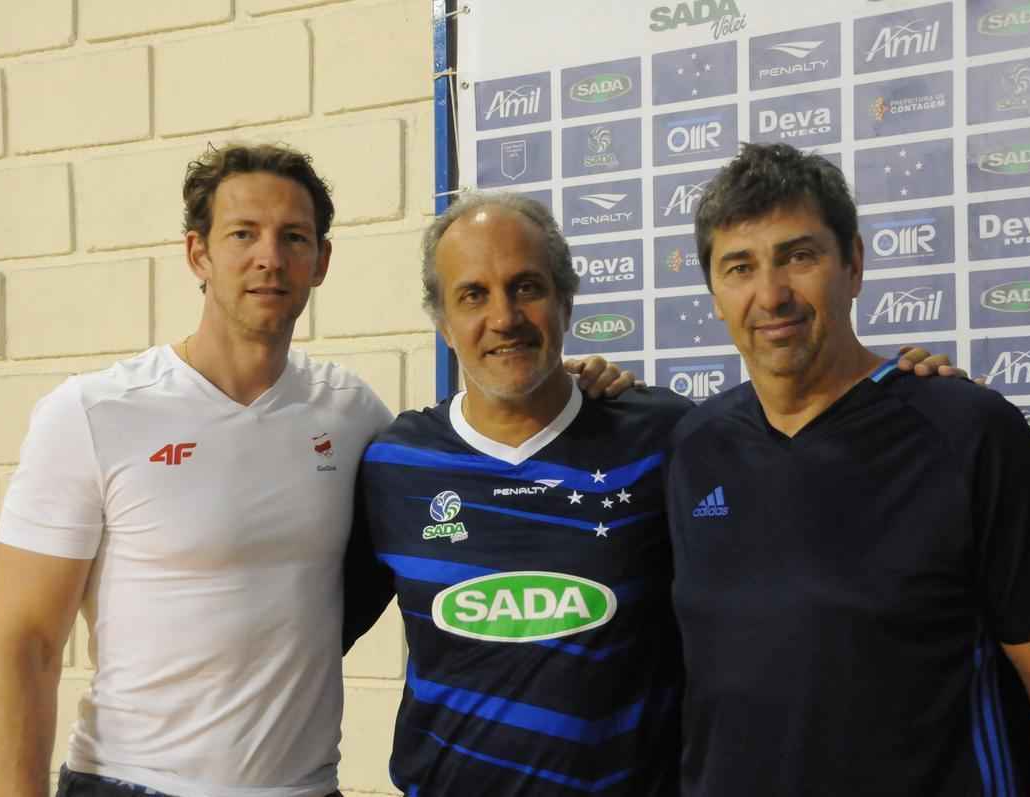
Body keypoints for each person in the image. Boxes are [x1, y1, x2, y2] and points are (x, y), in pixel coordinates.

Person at [0, 142, 630, 797]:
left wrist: (562, 384)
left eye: (293, 236)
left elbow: (473, 440)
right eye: (243, 234)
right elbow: (25, 643)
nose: (269, 257)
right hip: (130, 780)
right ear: (197, 253)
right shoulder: (93, 412)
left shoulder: (352, 415)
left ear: (321, 261)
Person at [343, 191, 964, 796]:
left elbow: (814, 492)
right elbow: (305, 632)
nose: (504, 317)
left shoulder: (669, 437)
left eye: (527, 287)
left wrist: (903, 398)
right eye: (473, 295)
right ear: (444, 323)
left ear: (565, 301)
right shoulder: (395, 464)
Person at [665, 142, 1030, 796]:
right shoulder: (691, 447)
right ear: (713, 292)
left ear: (853, 263)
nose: (771, 294)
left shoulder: (967, 431)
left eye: (799, 255)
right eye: (740, 266)